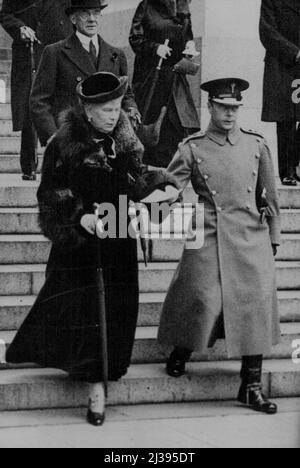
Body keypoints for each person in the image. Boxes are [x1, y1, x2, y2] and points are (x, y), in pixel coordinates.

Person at [6, 72, 144, 427]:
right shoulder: (63, 143)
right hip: (80, 246)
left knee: (117, 309)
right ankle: (95, 388)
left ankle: (108, 369)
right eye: (105, 109)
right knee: (84, 310)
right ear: (87, 109)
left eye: (116, 108)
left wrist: (151, 198)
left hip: (118, 239)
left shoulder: (127, 141)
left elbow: (139, 183)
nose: (114, 115)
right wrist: (79, 217)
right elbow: (49, 194)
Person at [158, 78, 282, 415]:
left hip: (249, 234)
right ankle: (181, 351)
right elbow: (170, 188)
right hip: (209, 232)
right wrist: (153, 207)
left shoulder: (257, 144)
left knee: (255, 301)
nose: (229, 114)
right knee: (200, 296)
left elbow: (270, 194)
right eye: (223, 107)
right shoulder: (192, 147)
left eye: (234, 108)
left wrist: (274, 234)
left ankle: (251, 385)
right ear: (210, 107)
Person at [30, 0, 141, 148]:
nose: (92, 19)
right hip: (71, 142)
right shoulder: (55, 53)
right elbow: (39, 101)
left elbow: (126, 96)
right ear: (73, 19)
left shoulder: (116, 55)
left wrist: (132, 110)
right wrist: (53, 137)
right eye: (85, 14)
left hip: (108, 143)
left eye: (96, 13)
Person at [0, 0, 73, 181]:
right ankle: (29, 165)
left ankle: (61, 161)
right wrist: (19, 28)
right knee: (29, 109)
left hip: (59, 49)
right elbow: (4, 14)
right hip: (29, 51)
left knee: (61, 107)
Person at [129, 0, 200, 168]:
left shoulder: (183, 4)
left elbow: (187, 34)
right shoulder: (147, 5)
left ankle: (173, 185)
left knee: (176, 132)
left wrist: (189, 44)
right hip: (152, 81)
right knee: (152, 133)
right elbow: (135, 38)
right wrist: (155, 48)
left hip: (176, 83)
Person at [260, 0, 300, 186]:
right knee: (286, 120)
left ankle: (297, 165)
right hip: (283, 65)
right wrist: (294, 52)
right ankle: (288, 171)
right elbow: (267, 32)